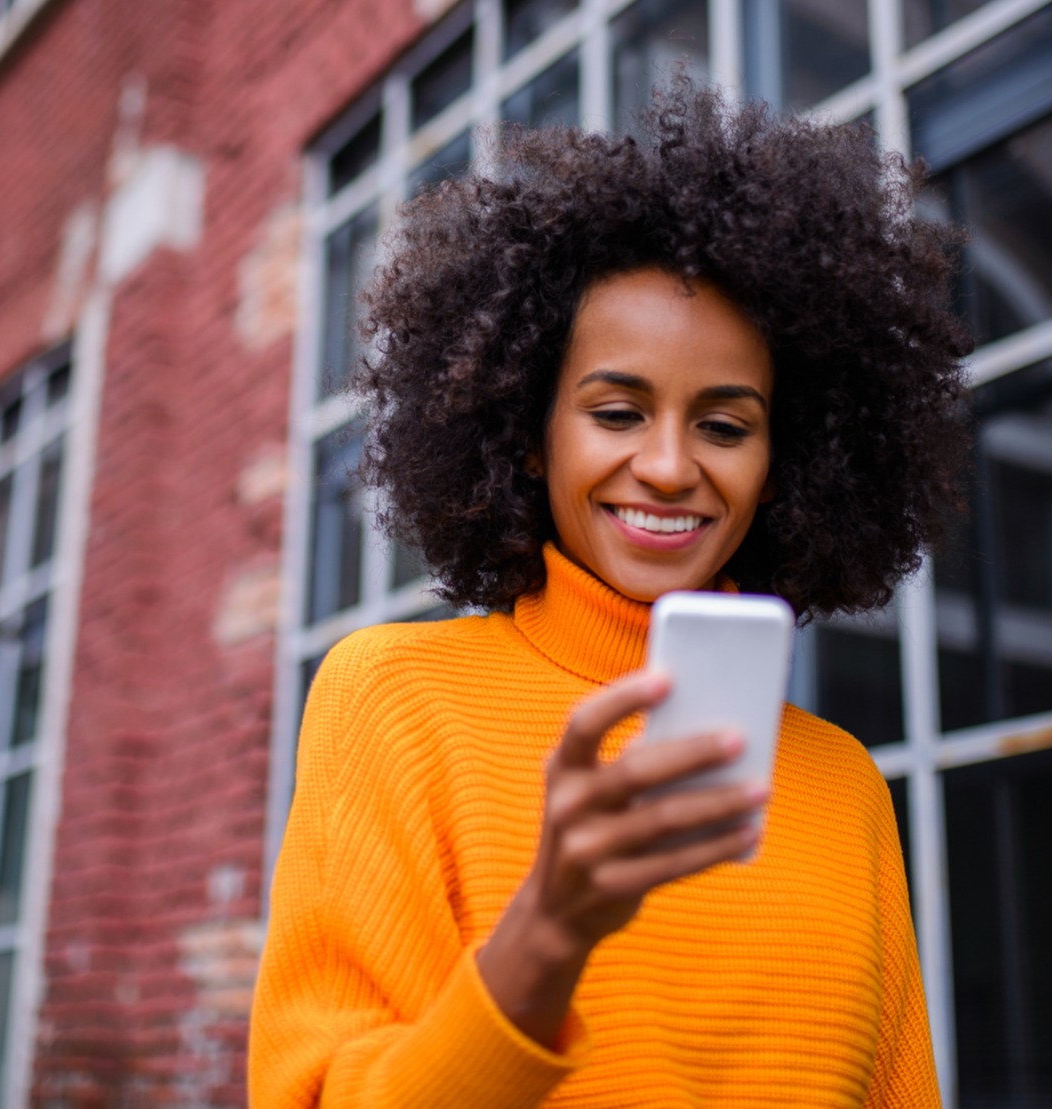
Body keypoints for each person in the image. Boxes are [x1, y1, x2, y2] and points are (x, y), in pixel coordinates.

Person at [249, 81, 971, 1107]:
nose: (671, 466)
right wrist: (544, 936)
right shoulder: (391, 698)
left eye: (725, 425)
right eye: (618, 410)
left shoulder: (843, 785)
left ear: (786, 459)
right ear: (528, 432)